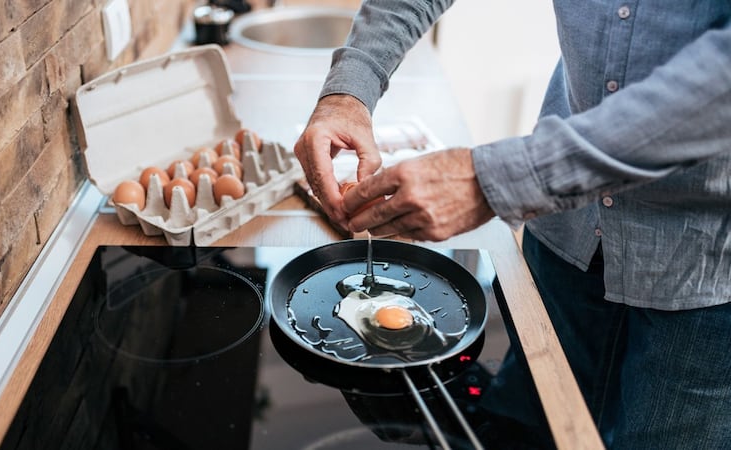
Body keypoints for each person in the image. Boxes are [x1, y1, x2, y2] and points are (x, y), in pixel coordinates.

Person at [293, 1, 731, 448]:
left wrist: (498, 181)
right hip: (567, 233)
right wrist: (349, 89)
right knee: (524, 430)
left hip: (706, 271)